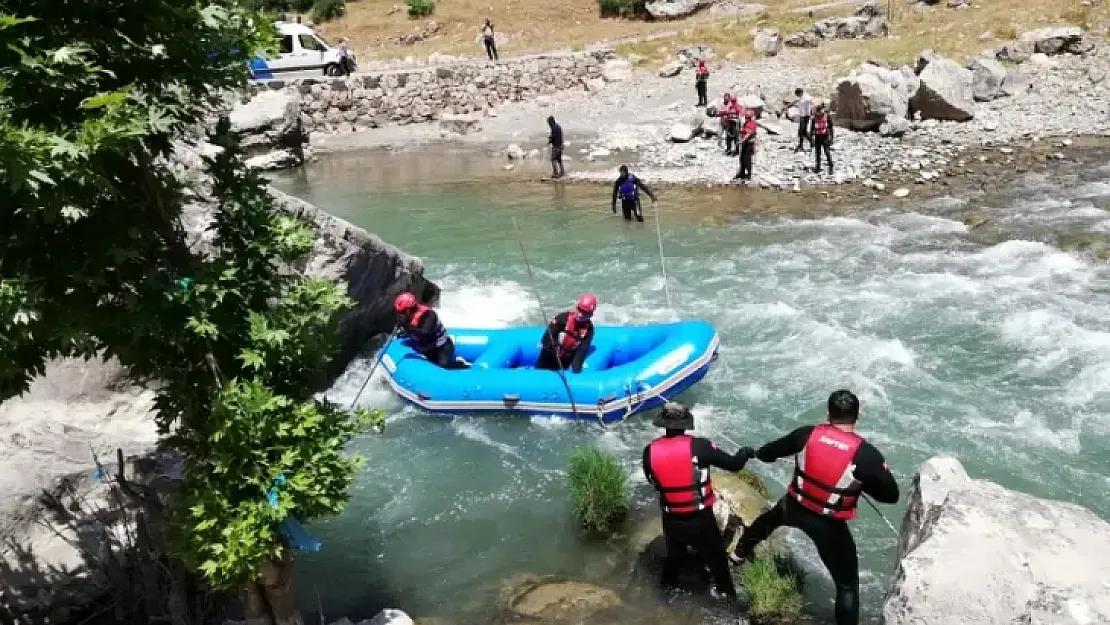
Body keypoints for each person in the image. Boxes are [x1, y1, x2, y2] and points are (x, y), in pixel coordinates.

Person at [730, 390, 900, 625]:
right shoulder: (865, 455)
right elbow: (891, 495)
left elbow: (770, 453)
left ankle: (738, 555)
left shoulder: (807, 434)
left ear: (828, 414)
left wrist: (756, 453)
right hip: (828, 523)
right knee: (847, 585)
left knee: (766, 522)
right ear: (858, 416)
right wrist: (861, 484)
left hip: (795, 506)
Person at [643, 402, 755, 602]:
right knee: (718, 561)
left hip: (672, 519)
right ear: (686, 423)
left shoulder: (649, 451)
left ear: (663, 424)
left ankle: (664, 599)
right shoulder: (700, 446)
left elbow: (652, 479)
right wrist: (744, 452)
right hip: (700, 518)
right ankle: (728, 600)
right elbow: (734, 465)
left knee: (674, 558)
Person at [394, 292, 465, 369]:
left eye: (403, 312)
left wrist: (406, 325)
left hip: (441, 346)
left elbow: (424, 332)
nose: (401, 314)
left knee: (443, 365)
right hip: (425, 346)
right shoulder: (407, 317)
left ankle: (461, 365)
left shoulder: (429, 315)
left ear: (409, 309)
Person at [535, 293, 596, 373]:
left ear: (590, 314)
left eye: (584, 312)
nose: (580, 314)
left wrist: (576, 370)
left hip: (565, 362)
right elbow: (546, 339)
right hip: (548, 357)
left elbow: (582, 351)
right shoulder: (562, 318)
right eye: (579, 309)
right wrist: (555, 350)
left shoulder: (589, 330)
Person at [811, 102, 834, 175]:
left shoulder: (817, 118)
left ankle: (824, 166)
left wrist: (831, 138)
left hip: (822, 136)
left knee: (822, 152)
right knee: (822, 152)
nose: (819, 112)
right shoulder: (824, 117)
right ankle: (824, 166)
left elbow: (812, 129)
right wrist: (831, 138)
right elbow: (812, 129)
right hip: (821, 136)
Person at [734, 110, 758, 181]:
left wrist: (742, 140)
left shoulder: (753, 124)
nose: (745, 118)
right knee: (742, 158)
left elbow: (749, 134)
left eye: (747, 117)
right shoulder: (745, 123)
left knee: (747, 159)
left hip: (749, 144)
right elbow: (743, 131)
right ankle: (742, 172)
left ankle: (749, 174)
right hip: (744, 143)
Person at [793, 87, 814, 152]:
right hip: (802, 116)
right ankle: (813, 142)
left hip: (805, 116)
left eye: (797, 95)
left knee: (801, 132)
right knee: (804, 132)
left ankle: (801, 145)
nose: (797, 96)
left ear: (800, 93)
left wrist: (809, 115)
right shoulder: (802, 98)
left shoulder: (806, 98)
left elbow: (808, 108)